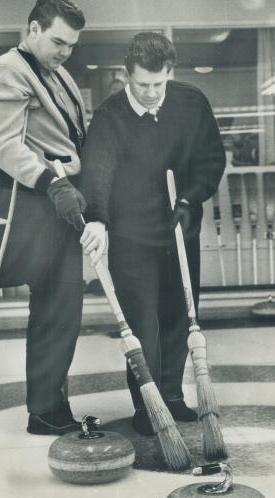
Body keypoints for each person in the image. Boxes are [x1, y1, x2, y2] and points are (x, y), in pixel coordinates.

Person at [80, 32, 226, 436]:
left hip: (180, 228)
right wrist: (97, 218)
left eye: (158, 84)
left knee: (179, 315)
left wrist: (190, 199)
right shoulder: (110, 115)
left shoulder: (191, 102)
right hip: (132, 238)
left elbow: (212, 159)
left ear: (170, 73)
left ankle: (172, 397)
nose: (149, 93)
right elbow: (98, 173)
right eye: (142, 84)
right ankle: (148, 405)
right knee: (143, 324)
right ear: (127, 75)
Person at [0, 0, 87, 435]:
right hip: (28, 201)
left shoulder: (56, 72)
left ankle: (48, 407)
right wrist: (52, 183)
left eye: (72, 45)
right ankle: (45, 407)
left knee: (62, 308)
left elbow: (70, 133)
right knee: (56, 304)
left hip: (57, 201)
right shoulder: (7, 70)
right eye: (59, 41)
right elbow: (3, 144)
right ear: (34, 29)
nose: (65, 52)